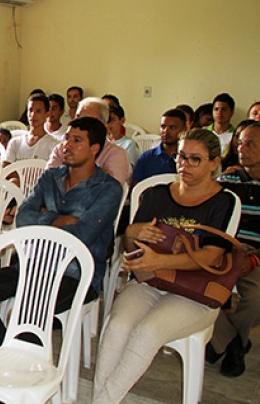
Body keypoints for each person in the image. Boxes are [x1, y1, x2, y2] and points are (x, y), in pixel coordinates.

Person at [93, 129, 237, 403]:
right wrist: (134, 233)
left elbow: (211, 257)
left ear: (214, 163)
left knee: (147, 332)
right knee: (117, 326)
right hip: (151, 281)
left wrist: (160, 260)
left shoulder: (223, 201)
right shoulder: (157, 194)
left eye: (195, 159)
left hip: (196, 291)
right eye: (181, 157)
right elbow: (129, 248)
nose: (184, 165)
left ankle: (102, 401)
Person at [0, 117, 122, 346]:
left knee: (31, 308)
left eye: (77, 140)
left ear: (95, 149)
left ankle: (17, 358)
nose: (67, 145)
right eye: (67, 138)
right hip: (34, 265)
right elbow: (24, 217)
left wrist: (46, 219)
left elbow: (83, 234)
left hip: (75, 275)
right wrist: (60, 219)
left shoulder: (108, 189)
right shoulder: (50, 177)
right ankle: (4, 348)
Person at [208, 122, 260, 377]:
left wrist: (255, 261)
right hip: (226, 249)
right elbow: (212, 221)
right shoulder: (227, 180)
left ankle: (221, 341)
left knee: (254, 299)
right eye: (240, 143)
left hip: (256, 256)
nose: (242, 149)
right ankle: (234, 344)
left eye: (250, 143)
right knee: (201, 288)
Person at [47, 97, 131, 184]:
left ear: (103, 124)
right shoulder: (61, 149)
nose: (80, 124)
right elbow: (47, 184)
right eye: (78, 117)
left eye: (87, 120)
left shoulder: (116, 154)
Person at [132, 108, 187, 185]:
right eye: (163, 127)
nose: (166, 131)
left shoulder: (187, 159)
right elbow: (135, 188)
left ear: (184, 129)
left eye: (173, 127)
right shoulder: (147, 157)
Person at [3, 92, 57, 166]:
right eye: (30, 110)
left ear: (47, 114)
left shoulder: (53, 145)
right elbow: (6, 167)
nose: (33, 115)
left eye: (38, 111)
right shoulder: (15, 142)